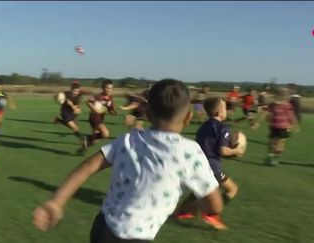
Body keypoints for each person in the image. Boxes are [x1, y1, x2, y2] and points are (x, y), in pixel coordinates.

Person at [33, 79, 223, 242]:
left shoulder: (128, 139)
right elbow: (215, 205)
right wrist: (190, 208)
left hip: (102, 228)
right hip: (136, 238)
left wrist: (56, 202)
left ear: (147, 114)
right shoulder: (190, 152)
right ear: (188, 117)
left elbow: (86, 168)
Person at [175, 96, 243, 230]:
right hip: (213, 167)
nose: (226, 110)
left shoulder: (203, 127)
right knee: (232, 189)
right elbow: (223, 151)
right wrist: (236, 150)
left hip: (198, 164)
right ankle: (212, 214)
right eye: (224, 107)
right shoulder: (224, 128)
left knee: (199, 190)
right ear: (219, 112)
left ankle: (181, 211)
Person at [253, 88, 299, 166]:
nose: (282, 97)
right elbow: (265, 113)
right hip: (274, 127)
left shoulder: (288, 105)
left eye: (284, 95)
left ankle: (276, 158)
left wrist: (295, 125)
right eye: (280, 95)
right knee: (271, 144)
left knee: (280, 144)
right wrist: (257, 123)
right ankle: (269, 157)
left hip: (284, 128)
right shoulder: (272, 104)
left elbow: (292, 116)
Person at [80, 79, 117, 154]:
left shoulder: (110, 99)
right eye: (107, 88)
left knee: (95, 141)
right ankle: (87, 138)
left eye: (111, 88)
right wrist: (95, 110)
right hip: (94, 117)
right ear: (103, 88)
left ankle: (83, 147)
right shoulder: (98, 96)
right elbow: (88, 102)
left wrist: (113, 112)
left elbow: (110, 110)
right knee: (105, 134)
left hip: (100, 118)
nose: (109, 90)